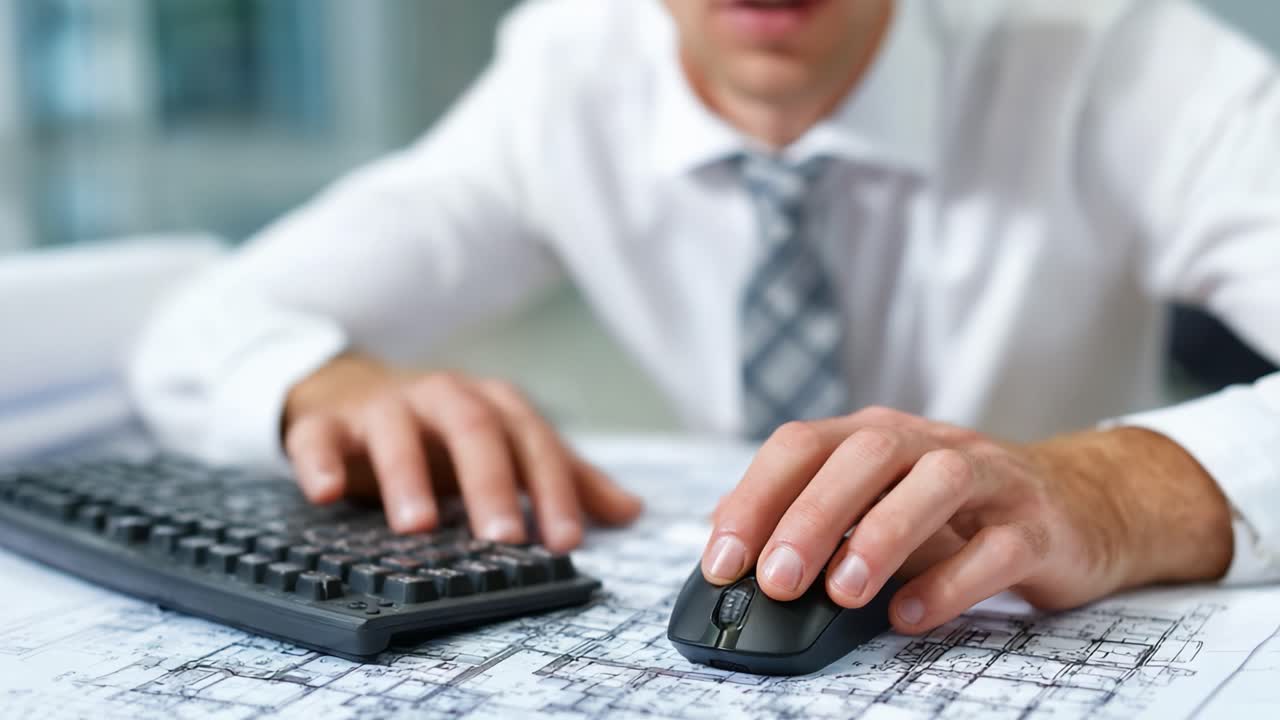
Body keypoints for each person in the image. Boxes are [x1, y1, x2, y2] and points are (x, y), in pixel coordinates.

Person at [130, 0, 1280, 635]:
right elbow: (199, 324)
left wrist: (1114, 491)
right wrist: (324, 383)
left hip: (1030, 634)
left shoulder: (1119, 54)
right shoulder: (568, 72)